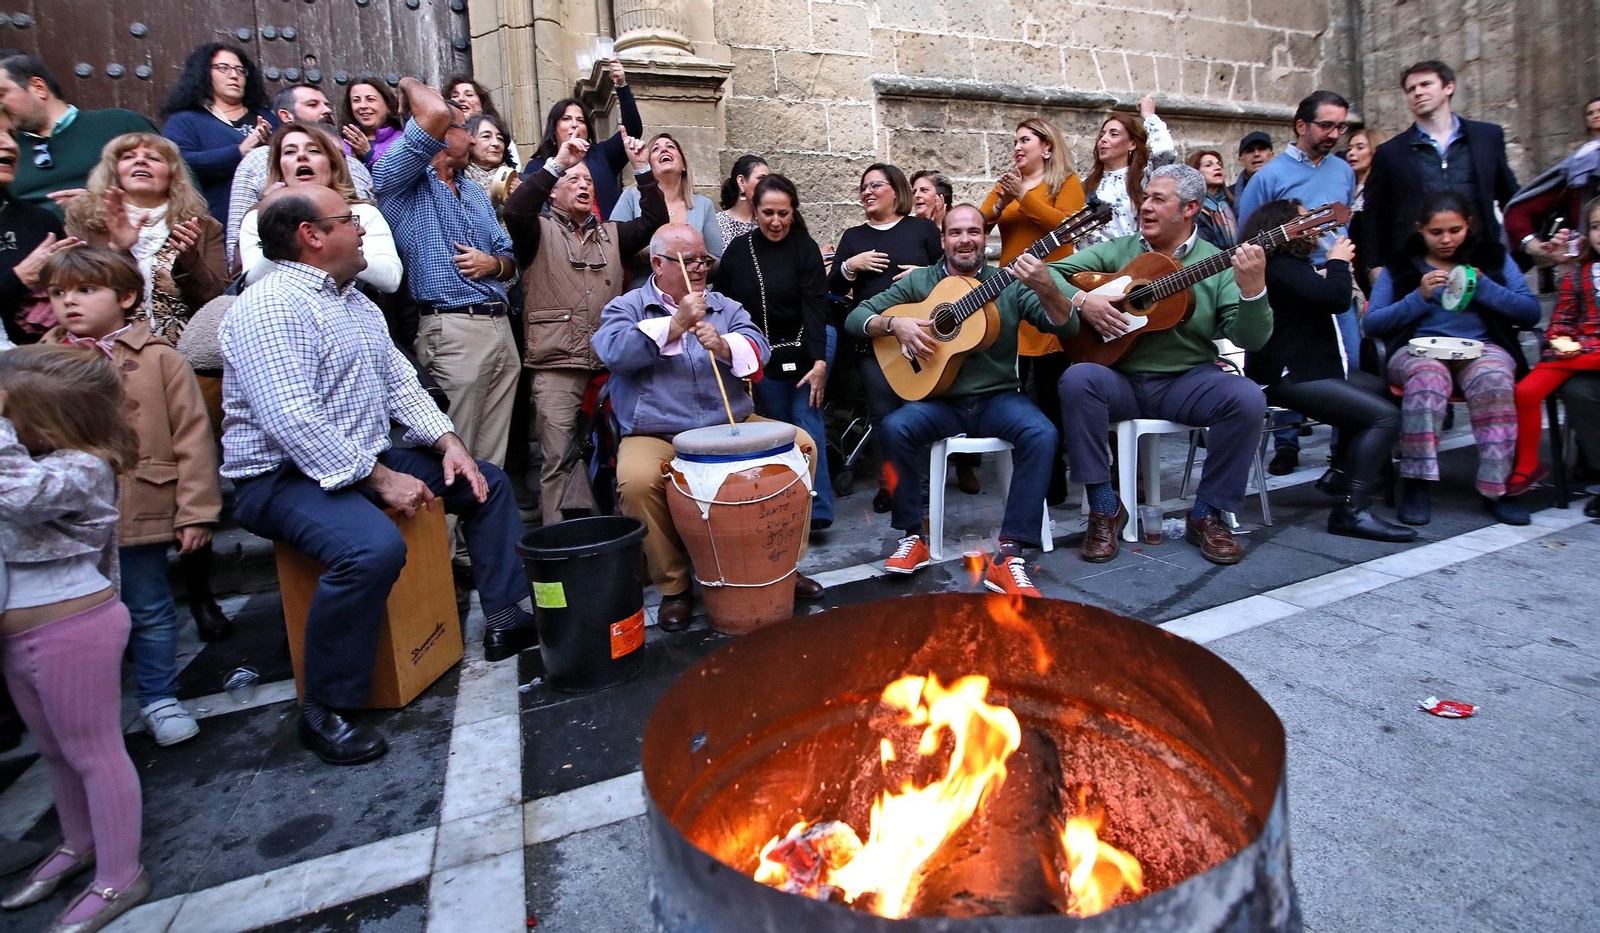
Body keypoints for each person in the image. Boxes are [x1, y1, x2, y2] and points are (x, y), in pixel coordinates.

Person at [220, 187, 538, 764]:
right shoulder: (268, 307)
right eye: (349, 220)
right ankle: (324, 708)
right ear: (310, 236)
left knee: (485, 482)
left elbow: (400, 385)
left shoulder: (356, 303)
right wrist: (379, 479)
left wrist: (449, 443)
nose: (364, 228)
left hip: (361, 459)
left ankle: (509, 618)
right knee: (371, 551)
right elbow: (292, 419)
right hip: (281, 478)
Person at [593, 224, 824, 631]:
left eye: (704, 259)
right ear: (658, 263)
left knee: (801, 448)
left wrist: (722, 345)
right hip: (658, 431)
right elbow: (613, 352)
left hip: (729, 422)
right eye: (689, 261)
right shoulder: (627, 306)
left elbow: (759, 350)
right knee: (635, 480)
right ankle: (675, 587)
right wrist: (673, 325)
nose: (701, 268)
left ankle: (784, 566)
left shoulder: (725, 306)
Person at [39, 248, 222, 745]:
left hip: (140, 503)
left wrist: (197, 511)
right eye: (58, 293)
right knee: (78, 617)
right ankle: (86, 708)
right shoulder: (43, 363)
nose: (69, 303)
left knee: (149, 608)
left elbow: (191, 436)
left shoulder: (159, 357)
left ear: (126, 297)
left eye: (85, 290)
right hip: (68, 520)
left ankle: (158, 696)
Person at [846, 203, 1079, 593]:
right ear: (943, 240)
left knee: (1042, 433)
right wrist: (894, 324)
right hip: (940, 401)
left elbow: (1068, 326)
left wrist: (1047, 285)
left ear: (985, 238)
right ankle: (912, 537)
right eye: (956, 232)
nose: (965, 239)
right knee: (894, 426)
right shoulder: (921, 282)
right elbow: (857, 318)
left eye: (973, 231)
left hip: (998, 397)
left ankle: (1010, 552)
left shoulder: (1009, 282)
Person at [0, 344, 150, 933]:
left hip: (73, 631)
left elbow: (18, 497)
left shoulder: (82, 467)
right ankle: (78, 842)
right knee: (55, 752)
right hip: (21, 634)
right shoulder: (34, 459)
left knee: (94, 754)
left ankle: (121, 873)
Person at [1052, 164, 1271, 565]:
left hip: (1187, 380)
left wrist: (1254, 290)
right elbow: (1052, 273)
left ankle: (1208, 513)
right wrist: (1086, 301)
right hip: (1120, 378)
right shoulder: (1119, 250)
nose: (1145, 207)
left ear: (1190, 209)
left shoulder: (1215, 263)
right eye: (1145, 197)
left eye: (1158, 199)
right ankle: (1105, 507)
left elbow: (1250, 339)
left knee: (1247, 398)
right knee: (1077, 378)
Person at [503, 126, 662, 525]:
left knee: (619, 455)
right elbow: (516, 209)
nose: (582, 184)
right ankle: (565, 554)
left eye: (588, 179)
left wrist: (642, 168)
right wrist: (559, 162)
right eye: (572, 179)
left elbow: (655, 221)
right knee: (558, 461)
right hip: (556, 366)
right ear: (553, 190)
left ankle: (621, 545)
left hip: (610, 365)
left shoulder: (612, 235)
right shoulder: (534, 230)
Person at [1363, 189, 1541, 526]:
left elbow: (1530, 312)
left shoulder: (1492, 257)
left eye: (1455, 231)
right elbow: (1373, 322)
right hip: (1416, 350)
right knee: (1428, 378)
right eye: (1436, 232)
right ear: (1420, 229)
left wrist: (1485, 287)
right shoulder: (1401, 264)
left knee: (1494, 379)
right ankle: (1417, 482)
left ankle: (1497, 487)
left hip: (1481, 347)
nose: (1446, 240)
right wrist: (1419, 296)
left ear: (1469, 226)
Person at [1240, 199, 1415, 542]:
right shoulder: (1279, 267)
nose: (1312, 227)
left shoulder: (1289, 264)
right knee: (1384, 418)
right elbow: (1335, 298)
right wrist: (1337, 263)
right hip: (1287, 376)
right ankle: (1351, 510)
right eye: (1304, 220)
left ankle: (1339, 474)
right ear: (1283, 227)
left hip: (1307, 368)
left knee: (1376, 390)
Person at [375, 78, 519, 478]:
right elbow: (434, 113)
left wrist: (493, 265)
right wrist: (406, 84)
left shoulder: (474, 193)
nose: (472, 141)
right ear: (437, 134)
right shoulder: (398, 181)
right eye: (461, 129)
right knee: (454, 454)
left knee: (493, 458)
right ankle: (450, 543)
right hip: (450, 328)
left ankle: (485, 539)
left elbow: (509, 258)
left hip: (499, 325)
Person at [1237, 91, 1360, 476]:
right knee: (1291, 367)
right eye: (1326, 125)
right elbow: (1250, 234)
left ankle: (1343, 457)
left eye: (1341, 126)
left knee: (1349, 364)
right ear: (1301, 125)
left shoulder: (1343, 171)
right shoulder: (1269, 176)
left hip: (1334, 276)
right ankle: (1286, 443)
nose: (1334, 133)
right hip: (1288, 283)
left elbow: (1346, 226)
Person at [710, 174, 835, 527]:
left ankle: (820, 509)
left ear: (793, 212)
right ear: (754, 211)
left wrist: (820, 362)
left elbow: (816, 307)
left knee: (807, 417)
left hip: (810, 345)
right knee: (779, 426)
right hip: (762, 352)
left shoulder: (805, 248)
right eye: (768, 213)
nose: (776, 221)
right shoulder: (737, 252)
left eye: (783, 213)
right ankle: (786, 506)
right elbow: (725, 307)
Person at [981, 117, 1087, 505]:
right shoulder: (1007, 184)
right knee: (1014, 390)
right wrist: (1002, 200)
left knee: (1047, 394)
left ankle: (1052, 484)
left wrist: (1024, 198)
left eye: (1025, 140)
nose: (1017, 147)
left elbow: (1067, 226)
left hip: (1048, 291)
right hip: (1009, 292)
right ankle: (1021, 477)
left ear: (1046, 147)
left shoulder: (1066, 184)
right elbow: (982, 220)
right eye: (1015, 141)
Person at [826, 163, 943, 512]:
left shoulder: (921, 229)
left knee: (917, 413)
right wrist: (849, 266)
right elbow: (832, 288)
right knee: (883, 417)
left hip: (920, 338)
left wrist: (925, 273)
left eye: (876, 184)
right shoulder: (854, 237)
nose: (868, 191)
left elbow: (949, 275)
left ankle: (920, 485)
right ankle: (889, 484)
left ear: (896, 190)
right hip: (873, 342)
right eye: (863, 187)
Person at [1356, 60, 1519, 283]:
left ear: (1448, 87)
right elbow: (1373, 214)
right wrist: (1373, 267)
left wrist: (1526, 243)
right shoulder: (1390, 152)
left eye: (1426, 84)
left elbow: (1511, 196)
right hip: (1416, 266)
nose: (1418, 93)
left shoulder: (1487, 137)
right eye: (1411, 89)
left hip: (1480, 258)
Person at [64, 133, 230, 344]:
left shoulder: (202, 226)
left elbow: (216, 304)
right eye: (128, 157)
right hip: (107, 352)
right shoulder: (85, 220)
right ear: (114, 171)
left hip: (185, 355)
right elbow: (75, 291)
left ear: (172, 174)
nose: (140, 161)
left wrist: (190, 261)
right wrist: (118, 250)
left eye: (153, 158)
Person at [238, 123, 402, 293]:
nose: (301, 156)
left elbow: (390, 280)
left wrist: (338, 247)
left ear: (333, 166)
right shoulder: (257, 218)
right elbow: (252, 283)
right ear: (280, 170)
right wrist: (278, 228)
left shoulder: (363, 213)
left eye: (314, 150)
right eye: (290, 151)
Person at [1509, 196, 1600, 498]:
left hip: (1586, 353)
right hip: (1583, 354)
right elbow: (1564, 314)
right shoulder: (1583, 272)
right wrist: (1561, 338)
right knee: (1526, 391)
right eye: (1597, 227)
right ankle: (1528, 464)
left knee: (1559, 362)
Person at [226, 84, 376, 266]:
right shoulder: (257, 159)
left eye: (327, 104)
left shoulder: (355, 167)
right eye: (313, 105)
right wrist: (271, 211)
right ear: (285, 116)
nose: (327, 110)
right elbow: (237, 237)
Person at [0, 54, 156, 216]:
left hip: (119, 235)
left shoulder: (119, 123)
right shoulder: (9, 148)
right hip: (37, 238)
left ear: (38, 88)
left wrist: (104, 205)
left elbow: (178, 186)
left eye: (1, 95)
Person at [158, 43, 276, 223]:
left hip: (270, 218)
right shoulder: (186, 120)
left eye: (240, 70)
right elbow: (177, 163)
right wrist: (239, 152)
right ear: (204, 73)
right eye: (223, 68)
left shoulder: (267, 117)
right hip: (215, 219)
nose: (234, 75)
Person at [528, 58, 644, 220]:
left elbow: (633, 130)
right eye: (567, 119)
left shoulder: (602, 155)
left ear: (587, 130)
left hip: (605, 239)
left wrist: (621, 86)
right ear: (554, 129)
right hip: (562, 240)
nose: (574, 125)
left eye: (580, 120)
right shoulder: (538, 166)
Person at [613, 132, 724, 286]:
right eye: (656, 149)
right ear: (648, 165)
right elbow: (611, 250)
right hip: (644, 298)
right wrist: (649, 254)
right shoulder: (631, 197)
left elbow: (718, 262)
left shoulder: (703, 205)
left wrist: (695, 258)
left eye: (670, 147)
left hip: (692, 296)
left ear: (684, 165)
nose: (664, 150)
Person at [0, 109, 71, 345]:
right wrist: (19, 278)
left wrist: (109, 242)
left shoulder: (40, 220)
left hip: (38, 370)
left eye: (11, 133)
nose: (9, 144)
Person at [1504, 97, 1600, 270]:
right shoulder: (1580, 164)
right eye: (1590, 112)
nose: (1595, 116)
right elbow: (1517, 211)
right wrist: (1537, 247)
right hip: (1588, 267)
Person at [1080, 95, 1176, 245]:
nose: (1104, 139)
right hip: (1083, 265)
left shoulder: (1143, 180)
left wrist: (1149, 116)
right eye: (1102, 134)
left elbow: (1165, 151)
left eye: (1114, 134)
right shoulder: (1087, 183)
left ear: (1132, 144)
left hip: (1123, 263)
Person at [445, 75, 522, 167]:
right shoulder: (443, 138)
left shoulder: (498, 138)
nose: (461, 99)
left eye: (469, 95)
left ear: (482, 104)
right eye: (455, 96)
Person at [463, 113, 522, 221]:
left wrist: (524, 196)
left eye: (500, 138)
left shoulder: (517, 179)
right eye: (486, 137)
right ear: (469, 142)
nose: (496, 143)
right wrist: (491, 196)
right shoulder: (457, 181)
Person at [340, 76, 405, 169]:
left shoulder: (402, 141)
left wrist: (369, 155)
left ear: (388, 105)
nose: (363, 106)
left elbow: (400, 175)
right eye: (356, 100)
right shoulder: (344, 142)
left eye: (370, 99)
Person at [1187, 149, 1238, 249]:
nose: (1217, 167)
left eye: (1219, 164)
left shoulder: (1232, 203)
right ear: (1196, 173)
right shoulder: (1192, 209)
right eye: (1209, 165)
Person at [716, 154, 769, 245]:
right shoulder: (717, 223)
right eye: (761, 178)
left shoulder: (766, 223)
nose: (768, 185)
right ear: (741, 182)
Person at [1346, 126, 1389, 213]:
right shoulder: (1347, 188)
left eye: (1360, 148)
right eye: (1349, 149)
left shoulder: (1384, 189)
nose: (1351, 153)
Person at [1230, 131, 1274, 201]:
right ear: (1241, 161)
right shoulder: (1229, 195)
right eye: (1250, 151)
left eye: (1262, 149)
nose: (1256, 154)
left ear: (1271, 156)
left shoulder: (1284, 188)